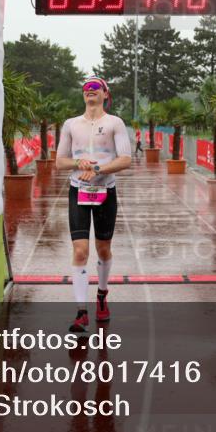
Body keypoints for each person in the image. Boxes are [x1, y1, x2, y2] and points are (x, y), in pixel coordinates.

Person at [55, 76, 132, 332]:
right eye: (86, 88)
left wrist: (98, 167)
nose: (90, 91)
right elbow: (60, 161)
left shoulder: (114, 123)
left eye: (95, 88)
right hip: (78, 189)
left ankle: (101, 294)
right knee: (79, 251)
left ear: (105, 94)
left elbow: (125, 159)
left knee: (103, 250)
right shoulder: (71, 125)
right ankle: (81, 313)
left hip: (105, 190)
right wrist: (79, 164)